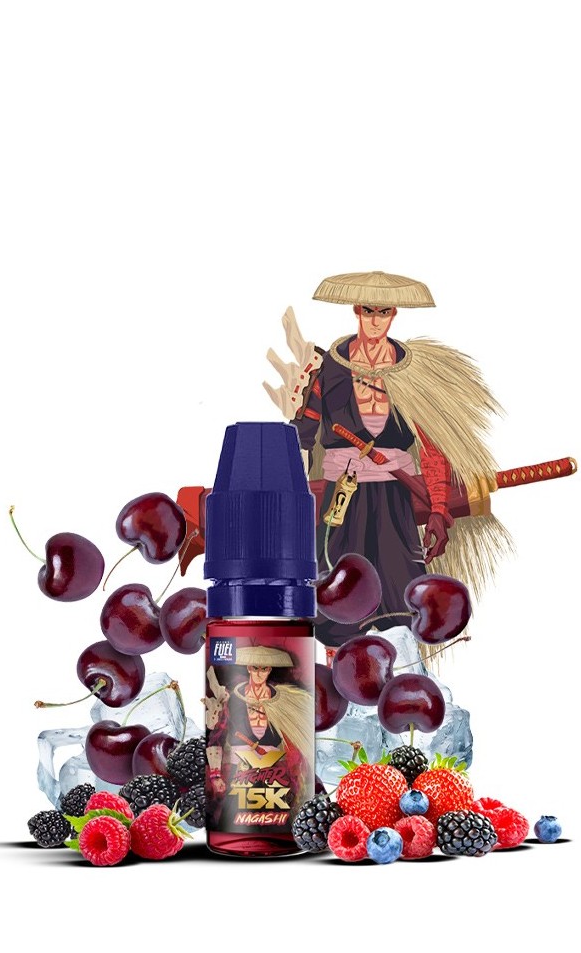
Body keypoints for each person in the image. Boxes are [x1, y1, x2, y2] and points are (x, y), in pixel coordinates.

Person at [263, 270, 510, 647]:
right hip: (341, 497)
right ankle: (339, 669)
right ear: (356, 311)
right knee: (333, 597)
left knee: (404, 598)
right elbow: (302, 440)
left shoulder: (414, 373)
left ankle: (401, 671)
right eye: (368, 311)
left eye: (383, 312)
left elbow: (431, 448)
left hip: (395, 498)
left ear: (394, 314)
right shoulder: (328, 370)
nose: (375, 320)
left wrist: (439, 510)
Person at [203, 644, 314, 813]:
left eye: (264, 669)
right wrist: (215, 775)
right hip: (238, 771)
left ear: (269, 670)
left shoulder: (282, 700)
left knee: (277, 817)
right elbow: (217, 737)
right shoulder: (231, 699)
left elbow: (296, 740)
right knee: (232, 814)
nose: (259, 673)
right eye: (255, 668)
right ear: (249, 668)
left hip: (274, 771)